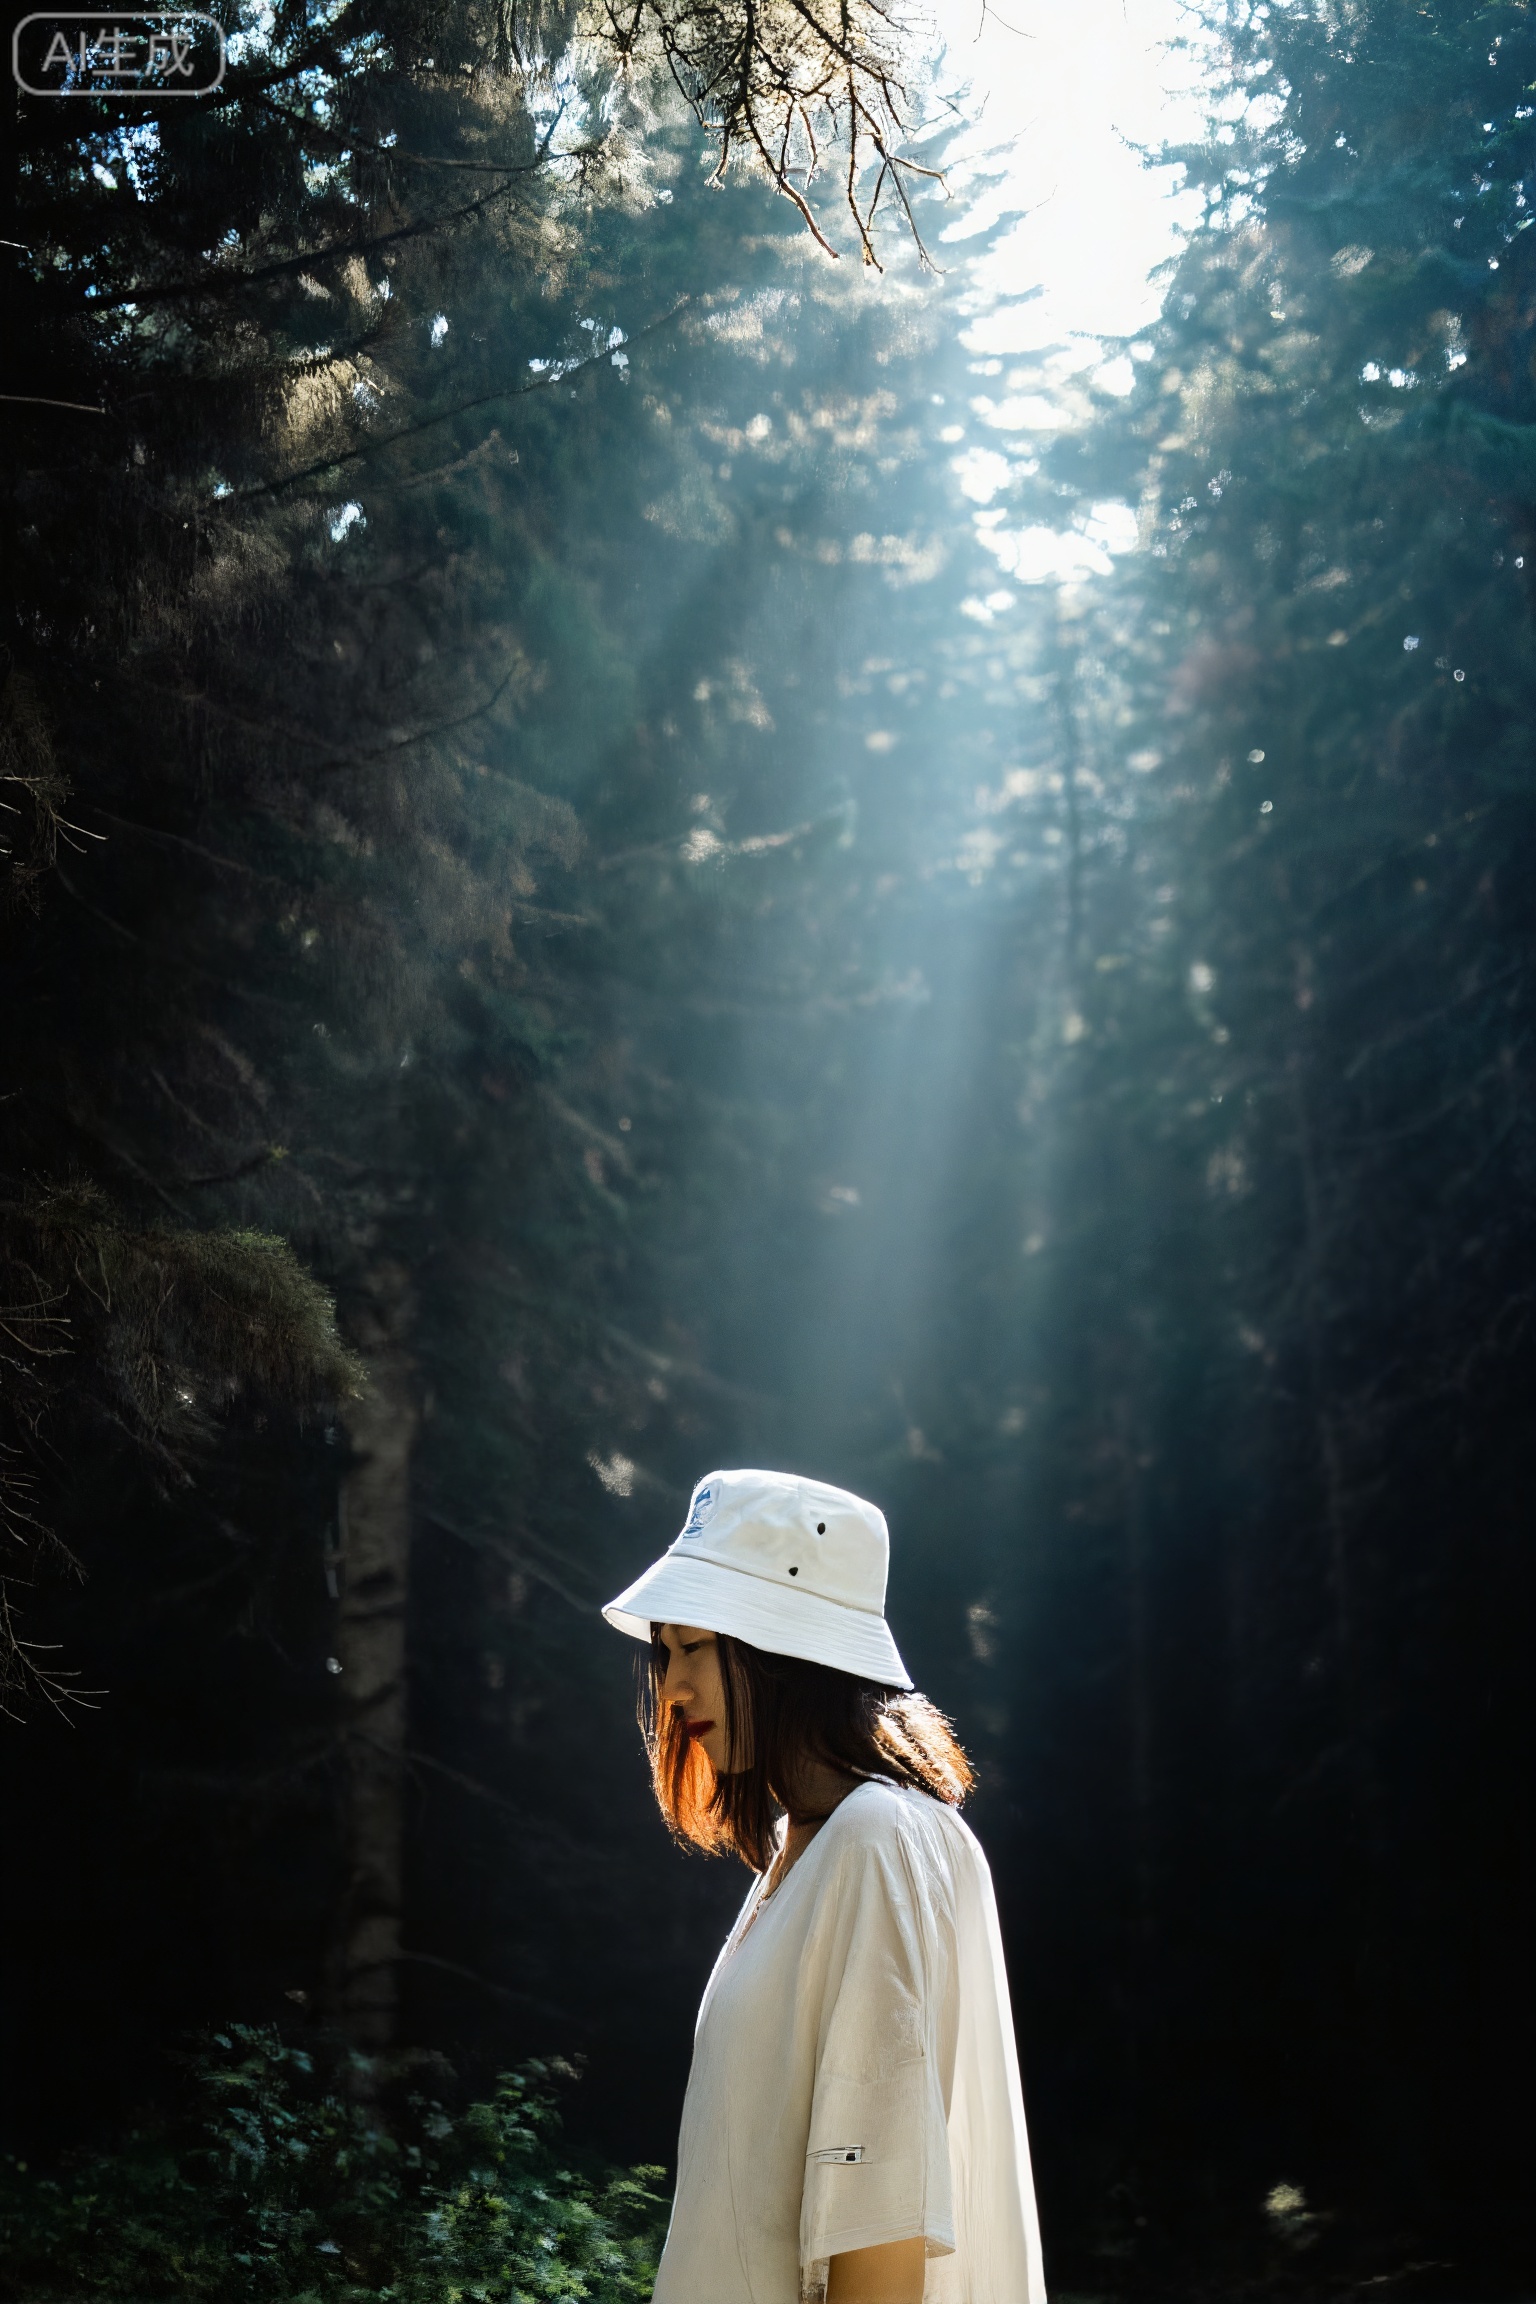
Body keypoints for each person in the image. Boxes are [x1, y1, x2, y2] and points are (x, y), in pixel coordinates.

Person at [602, 1466, 1046, 2304]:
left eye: (694, 1647)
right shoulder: (803, 1847)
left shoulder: (878, 1840)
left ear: (782, 1647)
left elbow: (881, 2220)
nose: (673, 1690)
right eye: (665, 1654)